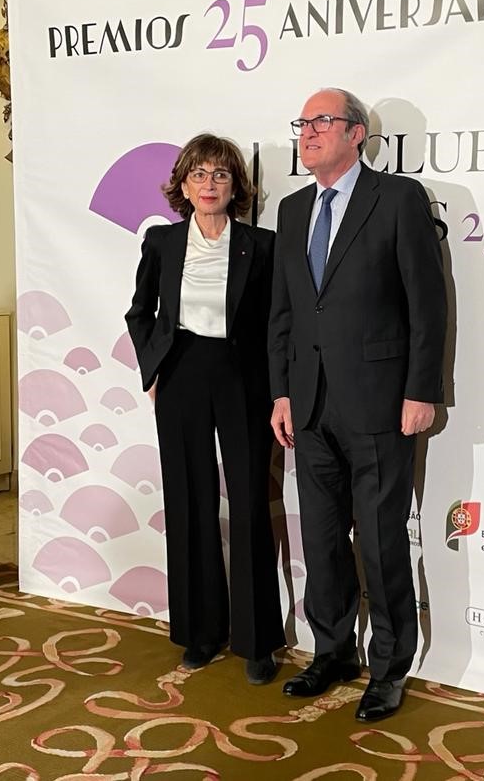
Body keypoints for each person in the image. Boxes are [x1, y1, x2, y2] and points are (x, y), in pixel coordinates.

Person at [268, 88, 446, 722]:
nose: (308, 132)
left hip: (379, 404)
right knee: (320, 540)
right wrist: (282, 391)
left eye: (322, 122)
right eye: (303, 122)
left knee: (378, 540)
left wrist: (422, 390)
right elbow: (284, 312)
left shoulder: (397, 199)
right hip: (309, 406)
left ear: (356, 134)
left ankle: (390, 664)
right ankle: (333, 651)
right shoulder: (291, 211)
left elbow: (428, 304)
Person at [125, 133, 285, 685]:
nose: (210, 184)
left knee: (246, 504)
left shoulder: (262, 246)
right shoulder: (163, 243)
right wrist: (155, 367)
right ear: (184, 185)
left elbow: (275, 325)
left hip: (244, 376)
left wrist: (279, 388)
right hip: (182, 374)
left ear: (235, 184)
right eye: (199, 174)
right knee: (190, 503)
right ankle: (200, 631)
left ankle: (258, 641)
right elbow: (139, 312)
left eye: (220, 174)